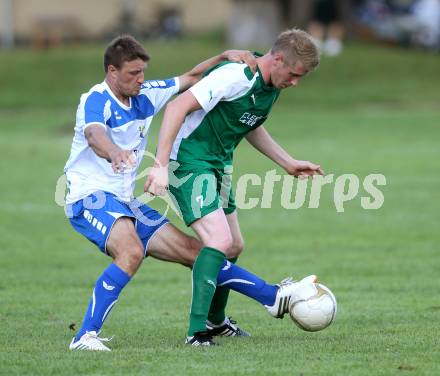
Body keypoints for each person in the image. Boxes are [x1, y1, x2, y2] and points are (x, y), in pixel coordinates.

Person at [64, 34, 318, 351]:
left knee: (201, 253)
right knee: (130, 251)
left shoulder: (145, 95)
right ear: (112, 72)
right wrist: (116, 153)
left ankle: (264, 301)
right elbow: (94, 134)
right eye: (133, 74)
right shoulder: (96, 99)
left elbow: (192, 78)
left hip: (126, 201)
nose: (141, 80)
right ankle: (84, 336)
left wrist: (221, 54)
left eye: (143, 72)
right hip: (91, 197)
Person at [145, 28, 324, 346]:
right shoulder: (236, 75)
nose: (295, 82)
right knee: (218, 239)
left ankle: (215, 322)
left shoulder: (271, 82)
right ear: (278, 59)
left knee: (234, 245)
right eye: (294, 74)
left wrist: (287, 162)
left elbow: (249, 122)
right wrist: (160, 166)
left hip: (218, 164)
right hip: (188, 161)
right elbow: (176, 107)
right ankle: (196, 331)